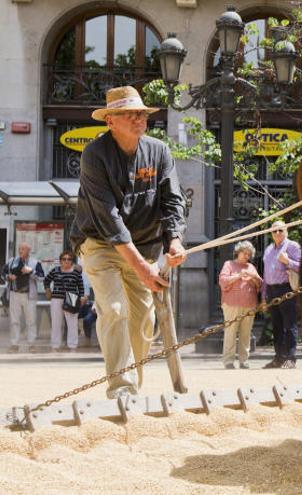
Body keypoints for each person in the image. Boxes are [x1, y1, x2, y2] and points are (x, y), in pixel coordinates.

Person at [71, 86, 187, 399]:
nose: (139, 118)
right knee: (114, 309)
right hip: (101, 245)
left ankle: (133, 384)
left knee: (143, 324)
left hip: (146, 246)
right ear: (110, 121)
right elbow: (109, 219)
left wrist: (174, 240)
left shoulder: (159, 151)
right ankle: (120, 388)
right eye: (130, 113)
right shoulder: (94, 156)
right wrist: (143, 269)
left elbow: (173, 200)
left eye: (142, 113)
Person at [261, 220, 301, 369]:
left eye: (281, 230)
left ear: (287, 231)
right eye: (274, 231)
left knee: (290, 325)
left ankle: (291, 358)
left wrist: (288, 261)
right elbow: (266, 275)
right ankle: (279, 357)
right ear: (271, 233)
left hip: (286, 289)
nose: (277, 233)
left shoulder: (292, 246)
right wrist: (263, 296)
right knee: (276, 325)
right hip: (271, 290)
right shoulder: (268, 250)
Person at [219, 241, 262, 369]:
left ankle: (244, 360)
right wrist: (239, 276)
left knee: (246, 333)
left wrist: (253, 277)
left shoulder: (251, 267)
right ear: (238, 252)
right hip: (231, 304)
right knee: (230, 332)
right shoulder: (229, 264)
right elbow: (223, 281)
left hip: (249, 304)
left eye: (249, 254)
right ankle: (228, 361)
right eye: (244, 253)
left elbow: (260, 284)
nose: (246, 256)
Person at [1, 242, 45, 353]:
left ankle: (32, 344)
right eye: (20, 249)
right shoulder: (11, 261)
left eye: (23, 249)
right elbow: (2, 273)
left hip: (29, 295)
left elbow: (41, 277)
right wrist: (8, 276)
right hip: (14, 293)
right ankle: (14, 344)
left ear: (29, 251)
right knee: (14, 320)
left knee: (31, 321)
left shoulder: (35, 263)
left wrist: (31, 272)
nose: (21, 251)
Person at [43, 250, 85, 352]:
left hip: (72, 298)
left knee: (72, 323)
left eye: (69, 259)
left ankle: (72, 346)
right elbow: (46, 280)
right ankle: (55, 346)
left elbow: (80, 286)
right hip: (56, 298)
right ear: (61, 261)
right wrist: (47, 289)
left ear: (72, 261)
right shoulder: (55, 270)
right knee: (56, 323)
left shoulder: (76, 272)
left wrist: (82, 296)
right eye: (64, 259)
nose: (66, 261)